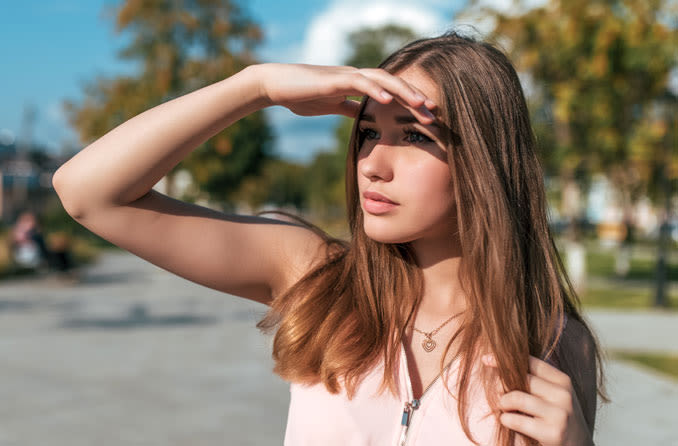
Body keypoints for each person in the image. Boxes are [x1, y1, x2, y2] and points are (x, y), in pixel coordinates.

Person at [53, 31, 608, 446]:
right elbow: (87, 192)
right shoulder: (320, 279)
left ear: (484, 161)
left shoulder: (553, 340)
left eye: (412, 135)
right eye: (368, 133)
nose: (372, 164)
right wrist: (257, 86)